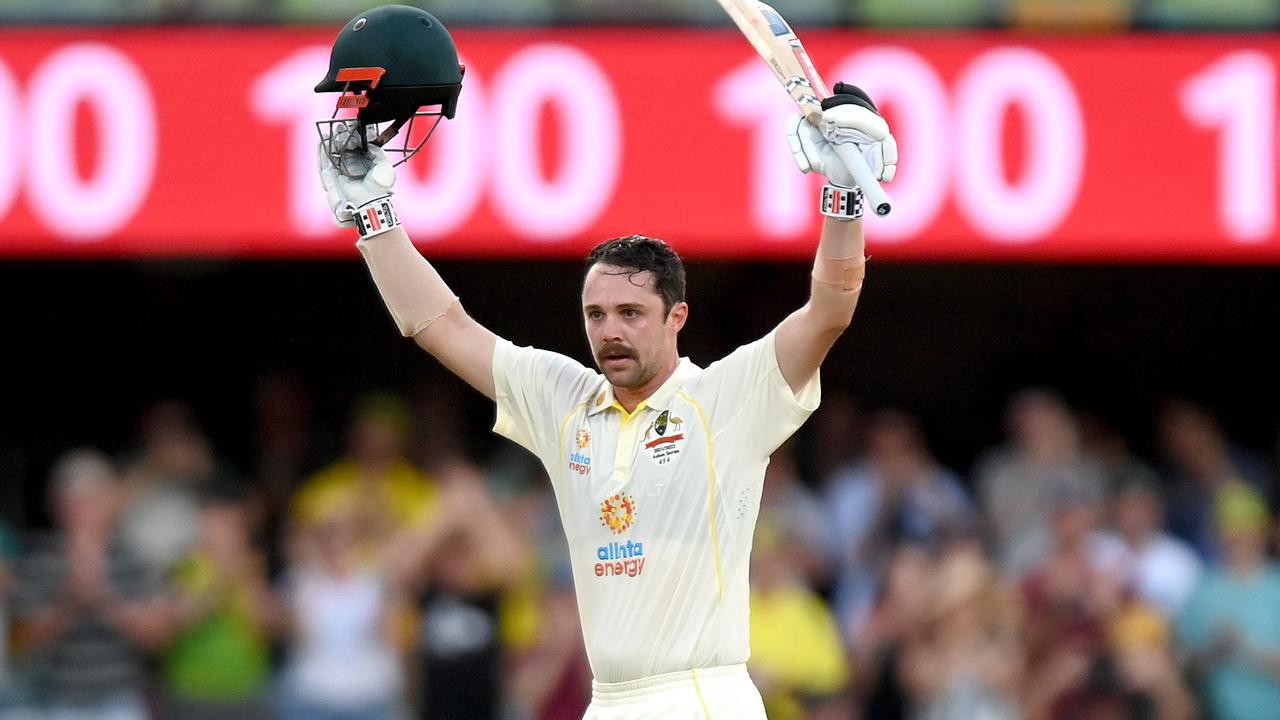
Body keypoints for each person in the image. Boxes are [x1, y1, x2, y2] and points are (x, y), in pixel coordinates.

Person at [315, 24, 897, 713]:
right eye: (596, 315)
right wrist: (374, 218)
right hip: (608, 701)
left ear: (676, 318)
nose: (609, 332)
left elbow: (829, 309)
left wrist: (844, 201)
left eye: (630, 313)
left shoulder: (726, 399)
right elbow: (439, 325)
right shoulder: (563, 400)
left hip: (700, 699)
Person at [12, 449, 171, 720]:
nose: (84, 514)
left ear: (110, 504)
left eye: (93, 502)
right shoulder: (39, 559)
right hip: (55, 701)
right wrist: (69, 600)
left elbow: (157, 637)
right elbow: (22, 644)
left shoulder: (131, 556)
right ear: (57, 507)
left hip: (121, 700)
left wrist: (104, 598)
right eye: (74, 504)